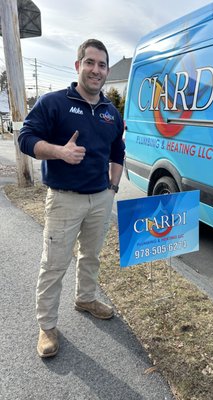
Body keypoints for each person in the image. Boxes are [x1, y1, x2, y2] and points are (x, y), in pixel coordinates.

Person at [18, 39, 125, 358]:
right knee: (54, 265)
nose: (96, 70)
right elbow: (25, 138)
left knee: (91, 256)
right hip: (64, 200)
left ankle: (86, 298)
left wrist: (113, 187)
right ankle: (47, 326)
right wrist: (59, 152)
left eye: (102, 65)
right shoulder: (54, 103)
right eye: (90, 63)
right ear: (78, 65)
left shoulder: (110, 112)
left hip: (100, 200)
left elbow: (118, 150)